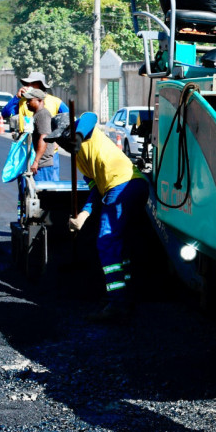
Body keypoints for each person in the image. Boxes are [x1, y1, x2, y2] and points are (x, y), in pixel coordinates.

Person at [49, 112, 148, 323]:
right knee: (120, 246)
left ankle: (117, 303)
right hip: (125, 187)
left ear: (70, 133)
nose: (59, 144)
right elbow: (95, 189)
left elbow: (90, 116)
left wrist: (77, 135)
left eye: (60, 139)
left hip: (123, 185)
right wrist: (84, 214)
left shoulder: (87, 133)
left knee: (107, 241)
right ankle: (125, 296)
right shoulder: (79, 162)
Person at [8, 72, 68, 137]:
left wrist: (58, 137)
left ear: (41, 85)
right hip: (26, 143)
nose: (29, 86)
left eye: (33, 83)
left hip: (47, 143)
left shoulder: (56, 102)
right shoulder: (22, 101)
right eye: (28, 84)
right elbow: (6, 113)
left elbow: (70, 120)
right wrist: (16, 97)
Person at [24, 88, 59, 182]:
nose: (27, 103)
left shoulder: (43, 114)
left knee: (42, 195)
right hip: (39, 165)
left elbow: (44, 138)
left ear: (39, 101)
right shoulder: (37, 115)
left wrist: (36, 161)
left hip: (42, 166)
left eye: (29, 100)